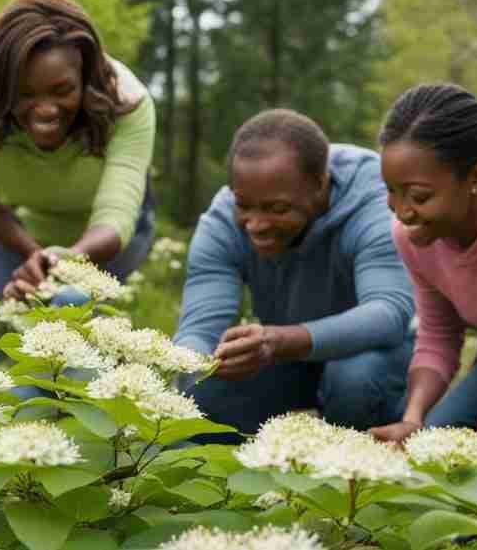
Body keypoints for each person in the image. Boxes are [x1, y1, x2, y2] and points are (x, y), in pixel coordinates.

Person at [174, 109, 416, 439]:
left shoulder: (376, 200)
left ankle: (356, 482)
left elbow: (389, 312)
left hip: (374, 351)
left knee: (354, 382)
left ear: (320, 184)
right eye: (244, 205)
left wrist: (279, 341)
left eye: (278, 209)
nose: (256, 225)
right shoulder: (220, 222)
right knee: (204, 392)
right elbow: (198, 329)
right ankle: (243, 487)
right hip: (285, 357)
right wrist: (196, 367)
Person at [0, 0, 156, 300]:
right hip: (22, 228)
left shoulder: (127, 103)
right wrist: (32, 253)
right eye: (24, 94)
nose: (46, 109)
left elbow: (114, 217)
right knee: (7, 322)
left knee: (72, 306)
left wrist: (66, 261)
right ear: (1, 88)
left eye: (62, 90)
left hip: (107, 237)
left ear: (85, 78)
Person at [370, 84, 477, 454]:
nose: (401, 210)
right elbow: (438, 335)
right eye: (392, 191)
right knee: (433, 444)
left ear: (476, 177)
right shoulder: (415, 235)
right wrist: (413, 418)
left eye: (419, 196)